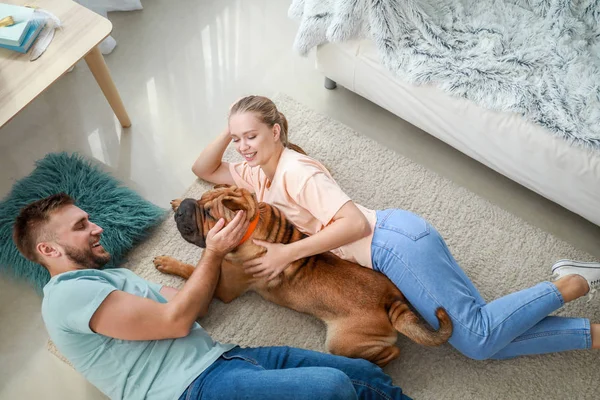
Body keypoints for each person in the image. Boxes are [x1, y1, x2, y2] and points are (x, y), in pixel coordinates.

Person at [192, 95, 600, 361]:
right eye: (238, 139)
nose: (243, 146)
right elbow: (203, 169)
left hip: (391, 245)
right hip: (395, 244)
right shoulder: (255, 174)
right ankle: (593, 334)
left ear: (276, 132)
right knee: (480, 330)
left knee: (477, 340)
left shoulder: (296, 172)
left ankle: (571, 282)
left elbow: (352, 223)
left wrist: (288, 253)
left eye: (253, 136)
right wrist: (231, 128)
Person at [13, 193, 409, 400]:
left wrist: (226, 252)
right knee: (331, 390)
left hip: (226, 357)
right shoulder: (66, 297)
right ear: (49, 250)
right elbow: (176, 320)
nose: (96, 227)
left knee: (366, 377)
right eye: (82, 225)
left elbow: (195, 305)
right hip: (189, 390)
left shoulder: (114, 279)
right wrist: (213, 252)